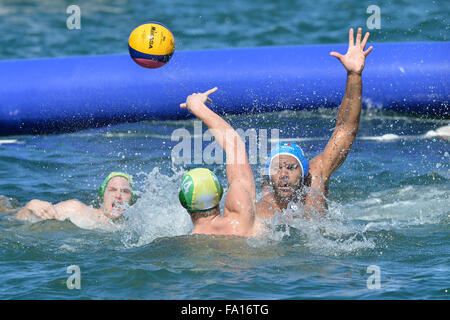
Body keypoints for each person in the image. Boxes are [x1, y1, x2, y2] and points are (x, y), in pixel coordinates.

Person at [256, 27, 373, 220]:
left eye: (291, 168)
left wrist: (354, 75)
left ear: (304, 174)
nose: (283, 175)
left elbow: (346, 129)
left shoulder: (316, 176)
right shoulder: (263, 205)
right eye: (277, 169)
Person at [178, 88, 264, 237]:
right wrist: (197, 107)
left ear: (184, 204)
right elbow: (234, 144)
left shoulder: (187, 244)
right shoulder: (242, 220)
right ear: (220, 194)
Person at [12, 172, 137, 226]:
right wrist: (28, 208)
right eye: (112, 190)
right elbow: (14, 223)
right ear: (103, 196)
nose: (118, 195)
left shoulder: (135, 225)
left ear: (131, 199)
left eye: (125, 191)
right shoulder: (76, 209)